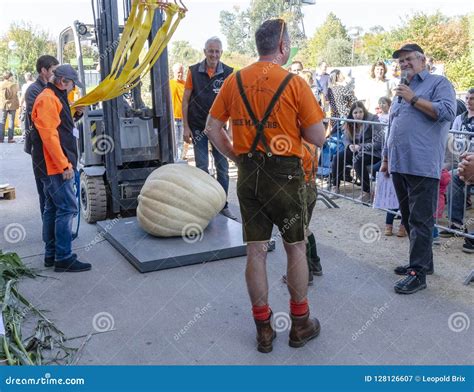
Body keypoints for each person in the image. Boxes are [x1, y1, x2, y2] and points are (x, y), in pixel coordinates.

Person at [205, 19, 326, 353]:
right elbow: (317, 137)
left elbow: (212, 128)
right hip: (286, 174)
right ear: (283, 47)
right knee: (295, 247)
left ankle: (263, 329)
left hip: (248, 174)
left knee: (256, 250)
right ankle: (300, 323)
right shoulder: (294, 83)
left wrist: (236, 156)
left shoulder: (233, 80)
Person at [380, 43, 456, 294]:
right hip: (400, 163)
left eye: (408, 59)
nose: (403, 64)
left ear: (422, 60)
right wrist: (386, 158)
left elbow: (446, 112)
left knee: (421, 220)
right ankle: (424, 263)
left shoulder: (438, 83)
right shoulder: (402, 90)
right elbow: (393, 125)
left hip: (422, 164)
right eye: (400, 62)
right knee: (410, 218)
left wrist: (413, 99)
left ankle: (417, 274)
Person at [31, 64, 91, 273]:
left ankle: (51, 254)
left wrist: (75, 115)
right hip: (55, 166)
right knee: (67, 208)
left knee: (53, 208)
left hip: (51, 165)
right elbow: (50, 137)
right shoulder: (48, 99)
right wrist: (64, 165)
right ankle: (63, 257)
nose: (72, 89)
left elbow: (61, 128)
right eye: (71, 85)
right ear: (62, 81)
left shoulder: (55, 97)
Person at [182, 36, 236, 220]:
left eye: (217, 51)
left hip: (219, 129)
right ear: (204, 52)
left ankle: (223, 205)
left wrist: (230, 131)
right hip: (198, 128)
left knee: (222, 168)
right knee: (201, 167)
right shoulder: (193, 72)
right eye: (210, 51)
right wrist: (185, 127)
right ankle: (204, 206)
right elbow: (186, 100)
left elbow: (234, 103)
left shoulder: (228, 73)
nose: (214, 54)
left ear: (221, 53)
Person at [24, 55, 60, 218]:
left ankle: (56, 228)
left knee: (54, 191)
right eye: (53, 70)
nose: (56, 73)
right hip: (41, 146)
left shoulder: (53, 88)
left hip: (53, 145)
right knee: (45, 191)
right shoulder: (34, 90)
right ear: (43, 70)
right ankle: (50, 233)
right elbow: (42, 120)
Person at [331, 101, 383, 201]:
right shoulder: (350, 122)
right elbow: (345, 138)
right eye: (355, 113)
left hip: (372, 151)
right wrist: (349, 145)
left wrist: (360, 146)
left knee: (358, 160)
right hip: (356, 150)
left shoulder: (373, 120)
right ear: (352, 114)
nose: (358, 115)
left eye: (360, 112)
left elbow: (379, 142)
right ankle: (335, 186)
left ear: (364, 112)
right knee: (337, 157)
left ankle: (366, 192)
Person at [440, 88, 474, 238]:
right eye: (467, 98)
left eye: (472, 98)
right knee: (452, 177)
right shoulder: (459, 118)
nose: (468, 101)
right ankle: (456, 224)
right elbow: (453, 140)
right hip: (462, 160)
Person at [169, 62, 186, 161]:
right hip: (173, 118)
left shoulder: (185, 84)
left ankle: (179, 160)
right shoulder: (169, 84)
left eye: (182, 72)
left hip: (183, 118)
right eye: (178, 72)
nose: (180, 74)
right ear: (174, 72)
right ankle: (173, 160)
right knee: (174, 141)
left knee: (180, 142)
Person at [0, 71, 20, 143]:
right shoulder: (14, 85)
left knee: (2, 121)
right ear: (10, 77)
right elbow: (15, 94)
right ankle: (10, 139)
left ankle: (1, 139)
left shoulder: (1, 84)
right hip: (12, 105)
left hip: (3, 105)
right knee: (11, 121)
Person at [19, 72, 35, 139]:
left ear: (26, 78)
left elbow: (23, 96)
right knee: (33, 121)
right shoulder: (35, 84)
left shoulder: (25, 85)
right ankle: (32, 135)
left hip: (26, 105)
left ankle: (25, 135)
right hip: (34, 105)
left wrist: (21, 104)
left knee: (24, 120)